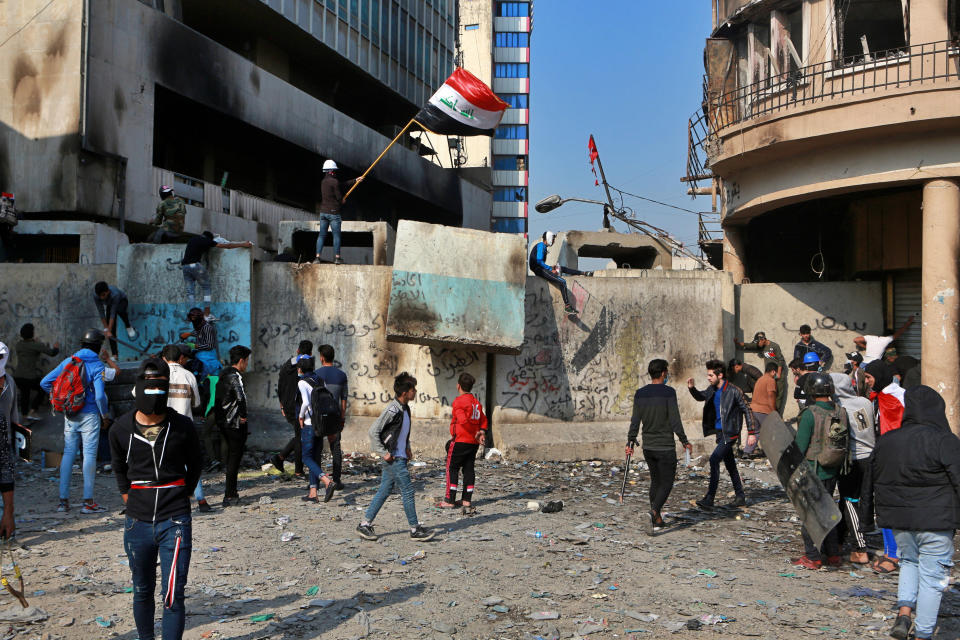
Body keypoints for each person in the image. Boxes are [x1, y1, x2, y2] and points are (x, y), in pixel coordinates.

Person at [109, 357, 202, 640]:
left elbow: (195, 465)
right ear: (138, 388)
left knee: (173, 594)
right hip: (136, 523)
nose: (153, 393)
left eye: (159, 387)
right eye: (148, 386)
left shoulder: (183, 427)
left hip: (174, 522)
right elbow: (119, 471)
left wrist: (181, 495)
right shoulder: (120, 430)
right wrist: (132, 498)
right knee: (142, 590)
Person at [873, 386, 960, 640]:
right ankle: (923, 634)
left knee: (910, 562)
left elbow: (872, 480)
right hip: (936, 521)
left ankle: (903, 614)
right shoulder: (945, 440)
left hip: (900, 521)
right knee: (933, 577)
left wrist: (869, 517)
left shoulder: (888, 440)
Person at [355, 372, 435, 542]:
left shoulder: (405, 409)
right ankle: (415, 529)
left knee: (384, 490)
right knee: (407, 490)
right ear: (405, 392)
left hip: (399, 456)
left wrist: (407, 448)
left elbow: (401, 433)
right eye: (413, 389)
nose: (415, 392)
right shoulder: (393, 409)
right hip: (394, 459)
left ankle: (364, 524)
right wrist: (383, 453)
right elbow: (373, 431)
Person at [40, 329, 109, 513]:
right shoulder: (97, 365)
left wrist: (63, 401)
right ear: (98, 346)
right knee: (89, 456)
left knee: (69, 454)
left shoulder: (68, 362)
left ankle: (63, 502)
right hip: (90, 415)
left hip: (70, 414)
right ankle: (88, 502)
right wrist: (105, 416)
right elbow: (101, 396)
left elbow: (45, 383)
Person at [626, 359, 692, 531]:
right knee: (667, 482)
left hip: (648, 446)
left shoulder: (640, 393)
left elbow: (635, 420)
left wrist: (630, 441)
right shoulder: (668, 392)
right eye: (666, 372)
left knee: (656, 481)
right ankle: (653, 512)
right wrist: (684, 440)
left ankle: (656, 519)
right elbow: (675, 419)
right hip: (665, 446)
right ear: (663, 373)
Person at [790, 372, 847, 570]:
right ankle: (833, 555)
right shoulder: (840, 411)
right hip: (833, 470)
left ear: (811, 391)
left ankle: (812, 556)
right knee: (828, 513)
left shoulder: (809, 413)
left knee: (810, 515)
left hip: (814, 472)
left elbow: (799, 447)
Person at [687, 359, 753, 509]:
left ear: (720, 375)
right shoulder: (712, 389)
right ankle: (740, 496)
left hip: (730, 433)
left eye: (710, 375)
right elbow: (701, 396)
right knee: (730, 465)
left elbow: (747, 409)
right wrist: (692, 388)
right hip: (719, 433)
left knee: (714, 460)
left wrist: (752, 432)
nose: (708, 378)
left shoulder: (734, 391)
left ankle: (710, 498)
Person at [153, 345, 211, 513]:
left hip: (162, 425)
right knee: (191, 463)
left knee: (161, 463)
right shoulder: (189, 375)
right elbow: (197, 403)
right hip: (185, 425)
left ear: (164, 358)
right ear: (180, 358)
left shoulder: (158, 374)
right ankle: (201, 500)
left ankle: (164, 501)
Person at [863, 358, 906, 574]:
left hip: (895, 460)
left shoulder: (894, 398)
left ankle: (893, 554)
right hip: (886, 457)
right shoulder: (879, 397)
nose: (868, 382)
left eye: (869, 377)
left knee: (889, 506)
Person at [831, 372, 875, 565]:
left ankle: (860, 548)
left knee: (850, 500)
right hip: (871, 457)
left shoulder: (839, 408)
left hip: (853, 459)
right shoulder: (865, 402)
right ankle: (839, 541)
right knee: (854, 499)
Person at [438, 372, 488, 515]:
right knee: (468, 469)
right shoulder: (476, 403)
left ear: (458, 386)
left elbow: (463, 420)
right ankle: (466, 500)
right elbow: (483, 420)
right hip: (473, 443)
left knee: (452, 468)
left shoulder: (459, 401)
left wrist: (474, 432)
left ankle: (449, 500)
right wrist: (481, 432)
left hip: (460, 440)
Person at [180, 231, 253, 319]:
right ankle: (206, 315)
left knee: (190, 292)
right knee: (206, 287)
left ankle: (193, 315)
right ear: (209, 238)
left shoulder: (193, 239)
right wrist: (243, 244)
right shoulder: (207, 241)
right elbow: (227, 246)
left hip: (185, 267)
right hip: (195, 266)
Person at [295, 357, 336, 503]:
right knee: (315, 458)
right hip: (321, 423)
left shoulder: (301, 382)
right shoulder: (319, 380)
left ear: (300, 369)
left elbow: (305, 402)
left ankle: (326, 481)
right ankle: (313, 493)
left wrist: (300, 416)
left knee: (306, 457)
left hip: (308, 423)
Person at [214, 345, 250, 507]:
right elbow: (241, 398)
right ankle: (230, 494)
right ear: (241, 360)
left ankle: (230, 492)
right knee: (235, 457)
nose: (247, 364)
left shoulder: (223, 374)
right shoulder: (235, 376)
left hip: (223, 421)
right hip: (234, 423)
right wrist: (243, 416)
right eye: (247, 361)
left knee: (231, 457)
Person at [272, 341, 313, 477]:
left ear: (297, 351)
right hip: (299, 406)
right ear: (311, 353)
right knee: (300, 437)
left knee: (299, 435)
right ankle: (297, 470)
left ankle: (281, 458)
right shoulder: (307, 366)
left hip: (288, 405)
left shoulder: (287, 365)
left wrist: (282, 403)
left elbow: (281, 384)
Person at [310, 345, 348, 490]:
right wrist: (342, 418)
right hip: (335, 416)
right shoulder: (341, 375)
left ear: (321, 357)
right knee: (336, 448)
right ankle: (336, 480)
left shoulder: (315, 374)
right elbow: (344, 399)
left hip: (319, 417)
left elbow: (313, 398)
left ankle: (318, 480)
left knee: (317, 449)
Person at [528, 231, 593, 315]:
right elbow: (539, 261)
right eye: (553, 239)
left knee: (561, 268)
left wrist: (551, 267)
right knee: (562, 282)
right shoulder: (541, 246)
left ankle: (583, 273)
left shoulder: (543, 247)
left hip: (540, 268)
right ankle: (567, 307)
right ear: (549, 238)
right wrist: (550, 269)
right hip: (539, 270)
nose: (554, 241)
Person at [314, 159, 363, 265]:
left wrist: (355, 180)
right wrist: (342, 200)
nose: (335, 172)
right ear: (331, 171)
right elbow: (339, 196)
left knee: (322, 235)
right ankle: (337, 258)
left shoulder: (324, 182)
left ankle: (317, 258)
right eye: (334, 171)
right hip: (333, 213)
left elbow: (341, 185)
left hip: (323, 213)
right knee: (336, 236)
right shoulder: (334, 182)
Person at [14, 323, 59, 420]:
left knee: (25, 394)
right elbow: (52, 353)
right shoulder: (36, 345)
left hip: (18, 376)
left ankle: (25, 415)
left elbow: (27, 347)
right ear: (32, 333)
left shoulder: (19, 345)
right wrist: (56, 347)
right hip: (29, 377)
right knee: (42, 387)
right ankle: (33, 410)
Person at [736, 331, 787, 415]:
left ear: (763, 339)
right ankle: (771, 414)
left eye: (758, 342)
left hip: (777, 375)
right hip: (769, 375)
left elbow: (781, 360)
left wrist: (779, 373)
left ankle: (777, 416)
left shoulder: (774, 346)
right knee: (769, 395)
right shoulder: (762, 347)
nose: (758, 345)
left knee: (778, 396)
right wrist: (737, 343)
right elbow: (749, 346)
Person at [94, 281, 138, 356]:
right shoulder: (96, 296)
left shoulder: (115, 294)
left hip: (121, 301)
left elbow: (113, 314)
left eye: (103, 295)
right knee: (111, 332)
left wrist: (109, 329)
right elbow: (101, 312)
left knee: (119, 310)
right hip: (110, 304)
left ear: (108, 291)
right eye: (100, 296)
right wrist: (106, 329)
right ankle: (115, 355)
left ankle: (128, 326)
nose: (102, 298)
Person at [745, 361, 779, 456]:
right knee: (770, 431)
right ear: (773, 372)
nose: (776, 375)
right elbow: (771, 396)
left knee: (755, 432)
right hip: (764, 410)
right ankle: (772, 453)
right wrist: (773, 411)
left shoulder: (760, 380)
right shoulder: (771, 380)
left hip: (753, 409)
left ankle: (747, 452)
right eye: (776, 373)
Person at [180, 308, 219, 377]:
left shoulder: (207, 328)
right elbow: (199, 333)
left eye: (194, 318)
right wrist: (189, 334)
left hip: (208, 359)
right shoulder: (200, 327)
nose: (193, 321)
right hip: (200, 356)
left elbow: (209, 346)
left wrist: (196, 346)